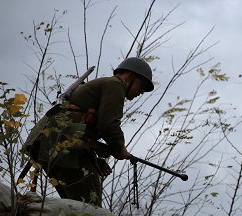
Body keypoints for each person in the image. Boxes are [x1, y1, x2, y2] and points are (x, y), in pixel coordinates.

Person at [21, 57, 154, 207]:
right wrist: (120, 149)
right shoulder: (116, 85)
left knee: (74, 207)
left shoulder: (106, 85)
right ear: (131, 77)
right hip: (61, 145)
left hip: (51, 143)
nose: (141, 92)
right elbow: (108, 125)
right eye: (141, 86)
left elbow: (84, 132)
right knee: (90, 209)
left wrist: (93, 159)